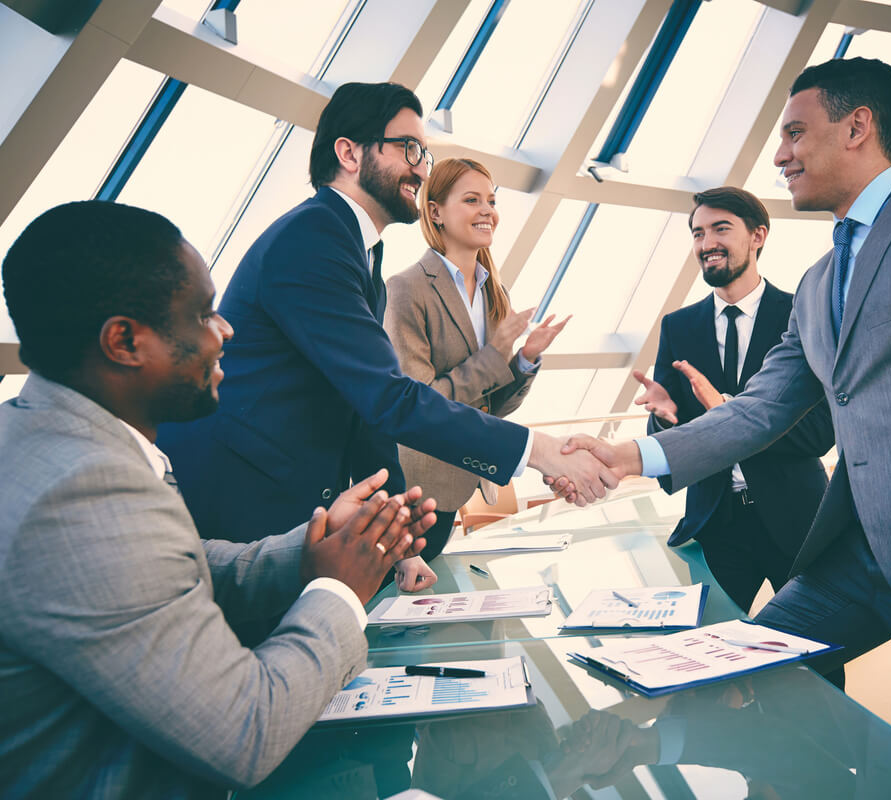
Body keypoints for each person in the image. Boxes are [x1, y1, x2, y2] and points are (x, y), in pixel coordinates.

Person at [558, 57, 891, 799]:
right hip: (854, 561)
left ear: (857, 126)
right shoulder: (815, 286)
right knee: (731, 670)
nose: (779, 155)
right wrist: (625, 456)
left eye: (795, 134)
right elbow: (758, 410)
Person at [0, 200, 436, 797]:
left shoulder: (49, 436)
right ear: (124, 341)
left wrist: (309, 554)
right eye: (203, 314)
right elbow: (244, 731)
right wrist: (339, 590)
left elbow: (164, 571)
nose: (226, 329)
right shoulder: (78, 490)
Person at [157, 82, 613, 593]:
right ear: (349, 153)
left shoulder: (359, 251)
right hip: (239, 495)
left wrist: (398, 542)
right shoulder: (315, 237)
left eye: (424, 152)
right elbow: (389, 398)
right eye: (408, 148)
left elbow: (363, 409)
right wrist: (540, 450)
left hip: (273, 493)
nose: (421, 168)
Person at [631, 186, 832, 614]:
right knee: (705, 649)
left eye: (720, 229)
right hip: (715, 522)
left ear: (758, 235)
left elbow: (820, 433)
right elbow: (678, 429)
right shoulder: (678, 327)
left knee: (819, 657)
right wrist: (666, 421)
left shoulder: (802, 314)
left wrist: (729, 413)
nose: (707, 244)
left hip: (797, 517)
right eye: (698, 233)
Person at [383, 157, 570, 558]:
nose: (487, 211)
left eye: (491, 200)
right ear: (435, 212)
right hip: (416, 494)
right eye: (472, 200)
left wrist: (524, 361)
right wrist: (494, 355)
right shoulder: (406, 289)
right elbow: (419, 405)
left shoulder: (492, 292)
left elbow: (490, 406)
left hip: (465, 482)